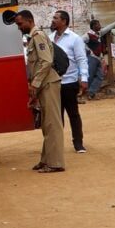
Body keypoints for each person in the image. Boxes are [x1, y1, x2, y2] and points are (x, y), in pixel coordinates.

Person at [15, 10, 65, 173]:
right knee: (46, 124)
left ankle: (55, 163)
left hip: (48, 83)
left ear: (29, 21)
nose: (19, 27)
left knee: (52, 124)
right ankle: (46, 160)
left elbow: (46, 61)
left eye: (20, 23)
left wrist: (35, 84)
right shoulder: (33, 37)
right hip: (44, 84)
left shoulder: (38, 36)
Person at [50, 10, 89, 153]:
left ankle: (78, 143)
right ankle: (57, 145)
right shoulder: (49, 38)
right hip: (53, 83)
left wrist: (84, 79)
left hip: (69, 82)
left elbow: (81, 59)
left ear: (64, 21)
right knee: (56, 116)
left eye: (56, 18)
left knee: (73, 114)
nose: (53, 20)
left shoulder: (75, 39)